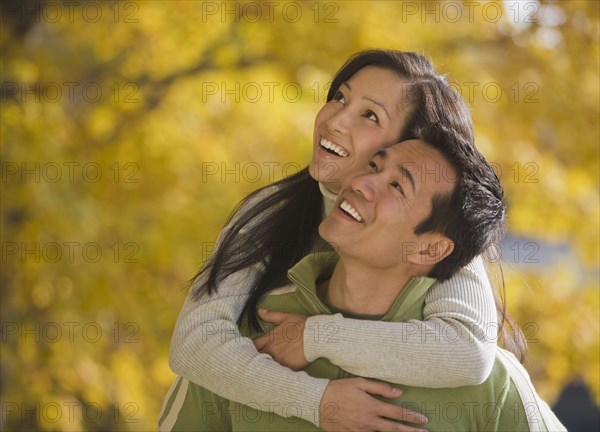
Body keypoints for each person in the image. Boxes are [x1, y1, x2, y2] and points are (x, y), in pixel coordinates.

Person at [166, 50, 513, 430]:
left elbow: (468, 353)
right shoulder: (270, 211)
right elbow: (196, 342)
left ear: (411, 148)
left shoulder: (438, 239)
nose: (335, 120)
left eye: (369, 115)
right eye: (340, 98)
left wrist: (314, 337)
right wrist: (316, 401)